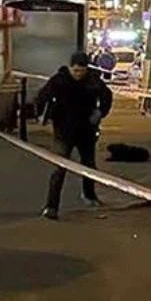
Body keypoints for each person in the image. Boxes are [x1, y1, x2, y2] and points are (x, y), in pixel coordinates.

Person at [36, 52, 114, 220]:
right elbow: (42, 96)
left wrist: (100, 112)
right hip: (63, 131)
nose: (78, 74)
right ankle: (51, 206)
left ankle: (90, 196)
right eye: (75, 70)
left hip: (86, 130)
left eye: (81, 71)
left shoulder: (93, 81)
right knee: (59, 168)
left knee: (89, 166)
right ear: (70, 67)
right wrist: (40, 114)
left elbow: (107, 96)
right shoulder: (60, 80)